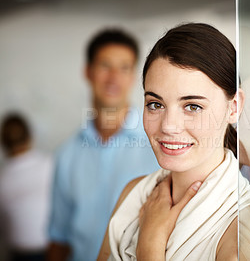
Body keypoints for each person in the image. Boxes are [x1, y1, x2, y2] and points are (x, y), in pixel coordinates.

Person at [97, 23, 250, 260]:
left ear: (234, 107)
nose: (168, 125)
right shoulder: (134, 193)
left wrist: (151, 244)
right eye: (156, 104)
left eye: (192, 106)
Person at [47, 29, 159, 261]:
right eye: (105, 66)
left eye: (124, 68)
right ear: (88, 72)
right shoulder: (67, 154)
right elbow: (59, 238)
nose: (114, 78)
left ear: (133, 77)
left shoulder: (160, 146)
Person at [0, 113, 53, 261]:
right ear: (30, 137)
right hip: (53, 251)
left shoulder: (2, 179)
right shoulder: (50, 164)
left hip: (19, 254)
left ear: (3, 143)